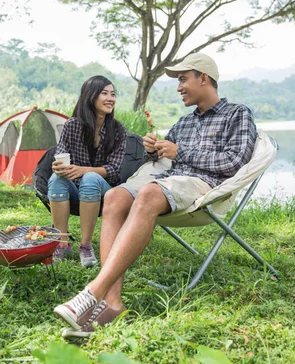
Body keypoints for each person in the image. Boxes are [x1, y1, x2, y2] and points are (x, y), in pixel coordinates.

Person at [53, 53, 257, 337]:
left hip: (205, 186)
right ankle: (113, 303)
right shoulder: (184, 123)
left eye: (183, 79)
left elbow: (235, 162)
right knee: (115, 197)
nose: (179, 87)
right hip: (169, 180)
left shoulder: (238, 113)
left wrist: (180, 152)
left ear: (204, 78)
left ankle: (93, 292)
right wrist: (154, 148)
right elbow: (168, 155)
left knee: (147, 194)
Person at [48, 75, 127, 268]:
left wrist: (84, 170)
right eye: (104, 93)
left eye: (113, 94)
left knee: (91, 178)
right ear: (90, 97)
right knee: (56, 178)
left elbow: (114, 170)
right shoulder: (72, 125)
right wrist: (57, 165)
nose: (111, 98)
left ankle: (86, 246)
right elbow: (60, 152)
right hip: (75, 188)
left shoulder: (118, 130)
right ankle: (62, 243)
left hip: (104, 190)